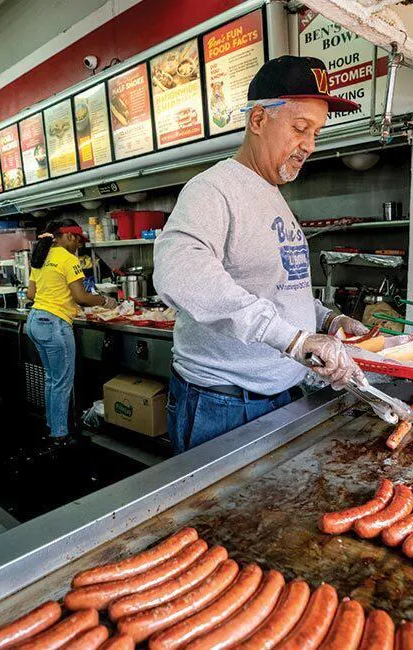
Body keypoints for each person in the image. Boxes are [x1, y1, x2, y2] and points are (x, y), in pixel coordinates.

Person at [154, 56, 372, 455]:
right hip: (224, 405)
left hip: (279, 396)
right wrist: (293, 340)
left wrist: (328, 320)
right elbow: (178, 273)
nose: (309, 144)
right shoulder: (213, 189)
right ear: (258, 120)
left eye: (316, 133)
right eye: (300, 128)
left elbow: (277, 288)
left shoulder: (273, 196)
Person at [26, 219, 117, 443]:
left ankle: (52, 425)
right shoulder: (68, 258)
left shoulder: (41, 256)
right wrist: (106, 301)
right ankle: (60, 435)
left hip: (35, 321)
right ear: (67, 236)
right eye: (77, 239)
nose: (78, 244)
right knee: (61, 382)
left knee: (52, 379)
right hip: (54, 324)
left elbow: (31, 294)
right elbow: (81, 296)